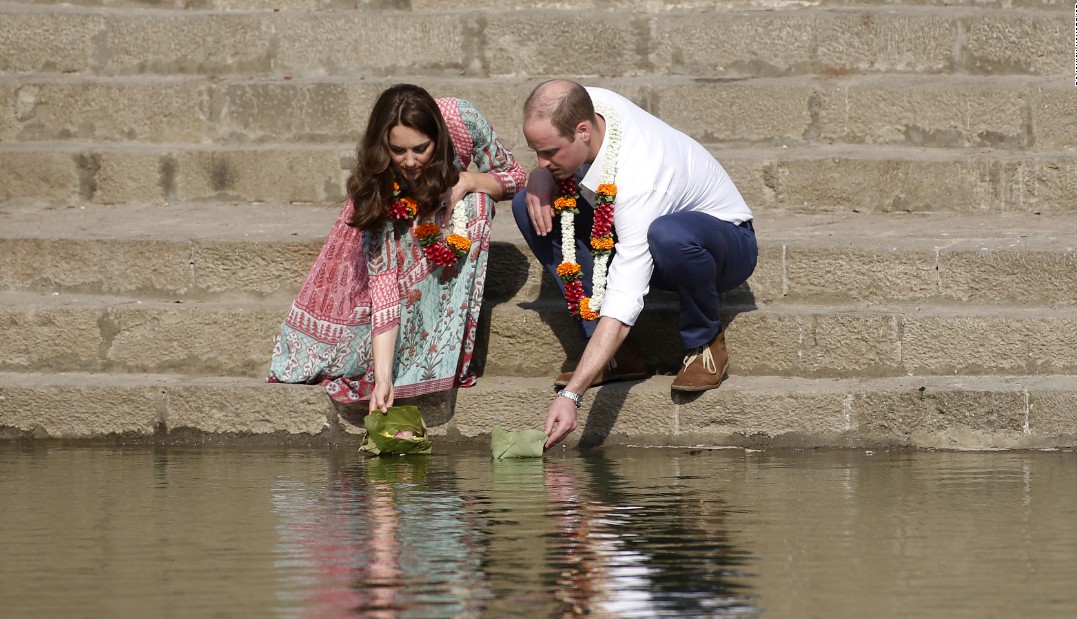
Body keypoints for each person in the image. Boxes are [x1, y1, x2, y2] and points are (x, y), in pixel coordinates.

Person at [513, 80, 757, 449]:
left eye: (549, 153)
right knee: (527, 204)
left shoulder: (642, 179)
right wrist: (540, 176)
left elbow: (625, 300)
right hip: (637, 232)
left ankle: (704, 343)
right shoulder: (587, 104)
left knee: (668, 234)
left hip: (723, 244)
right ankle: (617, 357)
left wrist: (572, 396)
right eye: (535, 151)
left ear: (583, 131)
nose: (542, 161)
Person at [268, 84, 526, 413]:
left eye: (421, 148)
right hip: (396, 226)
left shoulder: (462, 118)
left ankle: (441, 353)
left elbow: (516, 176)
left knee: (476, 206)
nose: (410, 162)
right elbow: (384, 282)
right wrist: (383, 377)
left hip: (447, 214)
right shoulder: (379, 184)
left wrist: (471, 181)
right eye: (398, 151)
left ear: (439, 137)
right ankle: (405, 361)